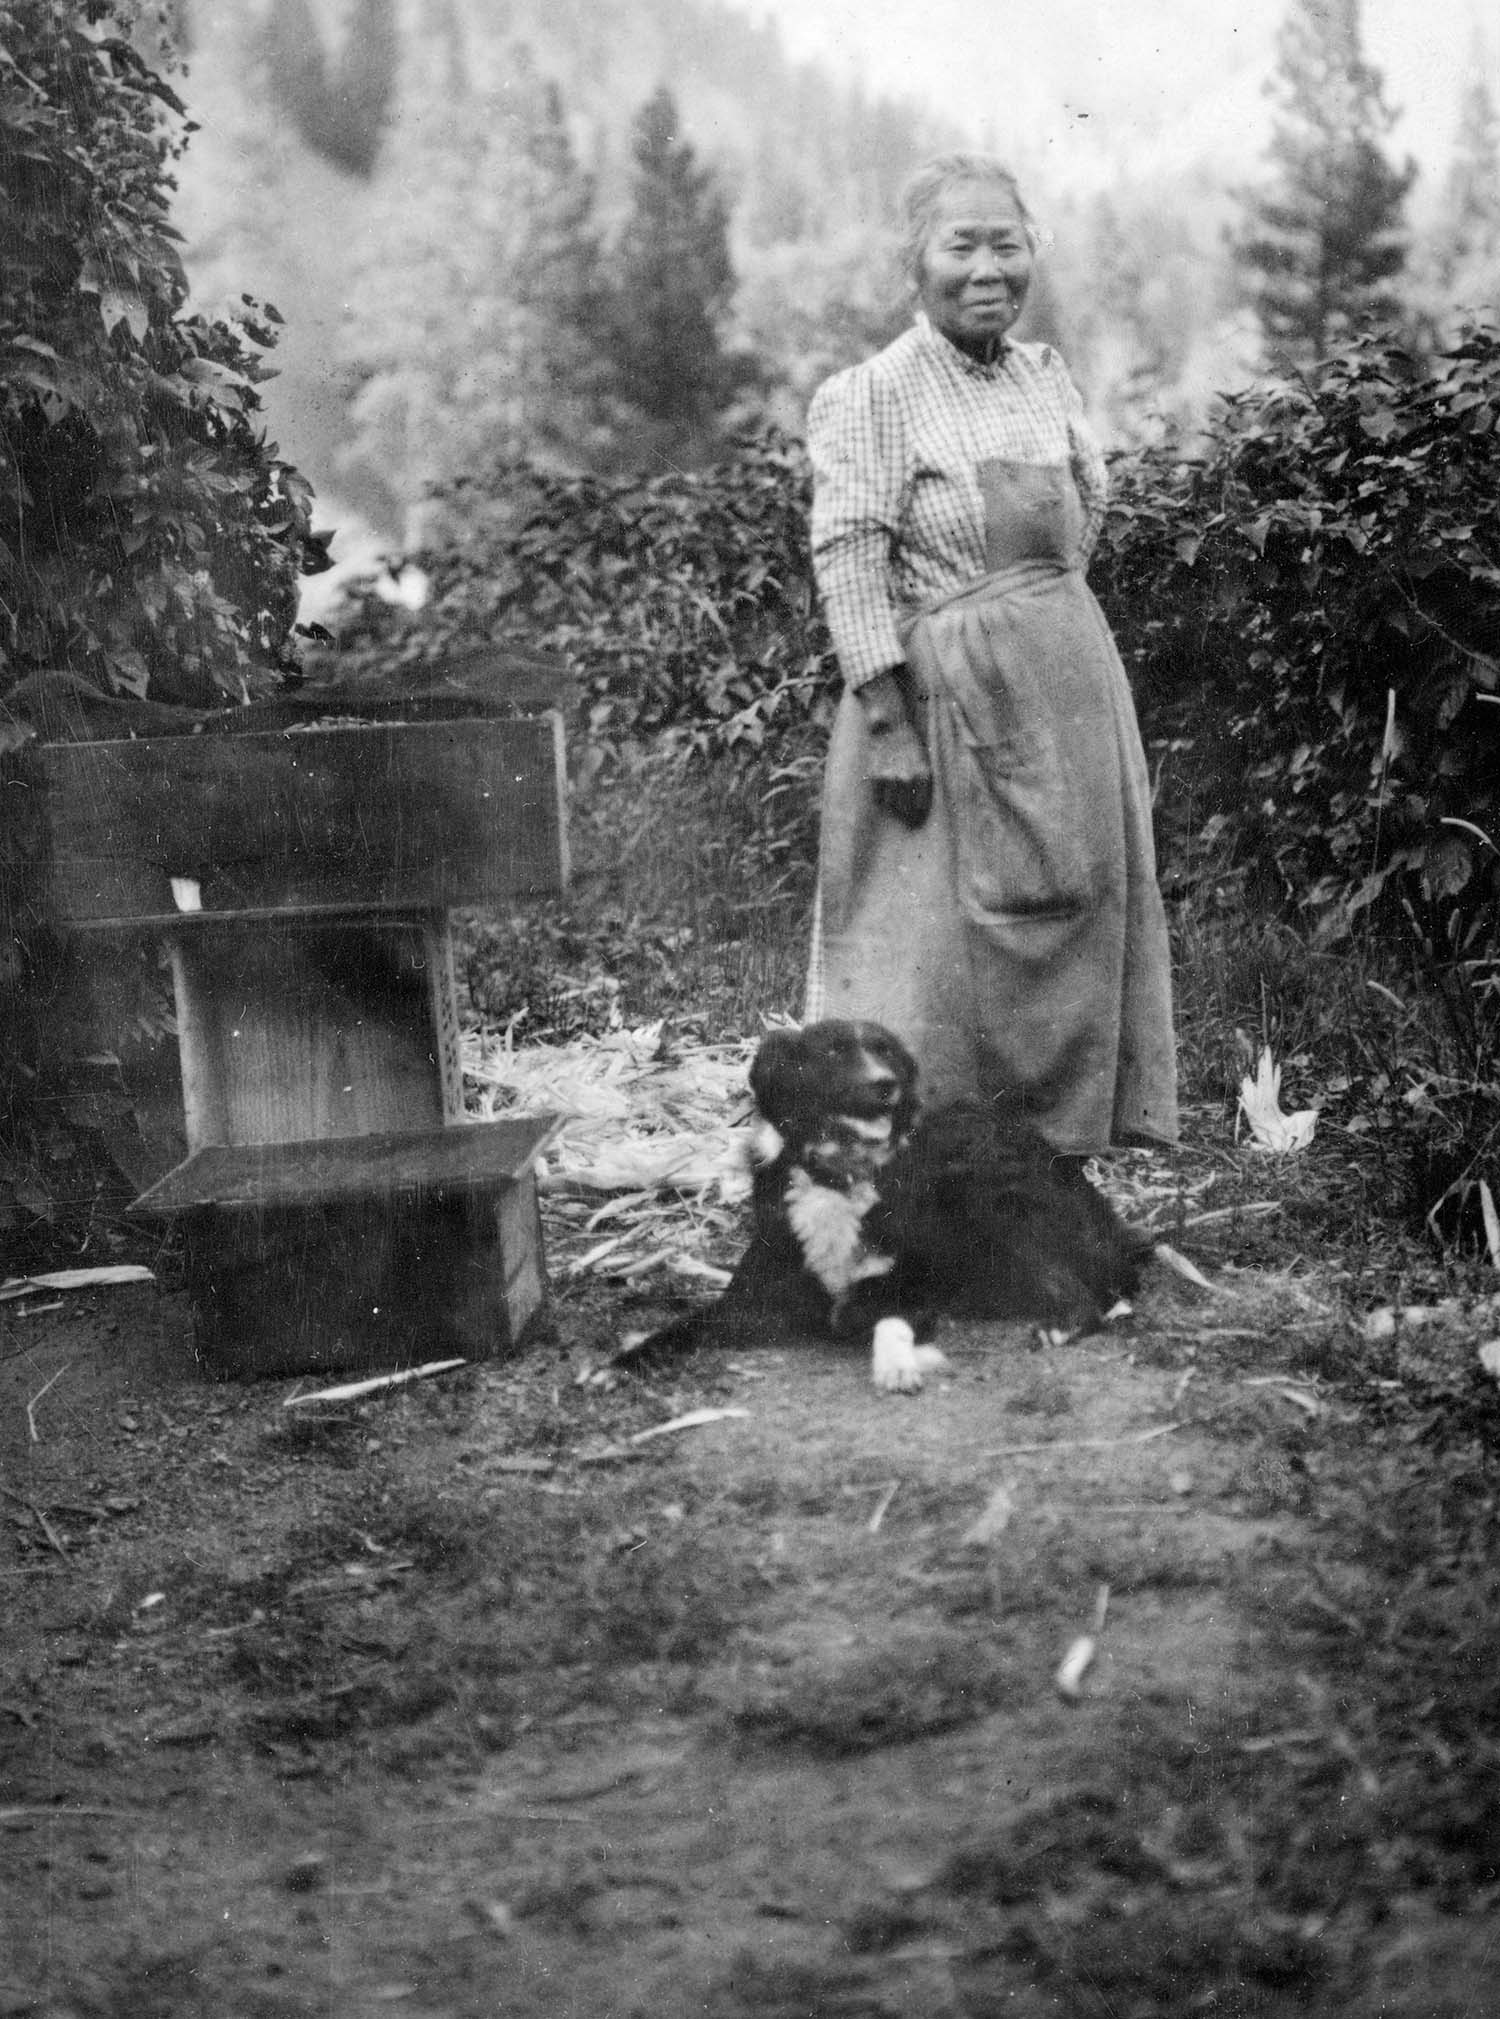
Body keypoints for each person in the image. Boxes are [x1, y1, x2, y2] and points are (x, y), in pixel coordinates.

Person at [802, 152, 1178, 1154]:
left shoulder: (1044, 376)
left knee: (1073, 917)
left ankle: (1059, 1163)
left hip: (1065, 700)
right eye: (959, 245)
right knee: (937, 954)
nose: (987, 268)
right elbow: (849, 556)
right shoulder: (875, 392)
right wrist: (889, 719)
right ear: (912, 263)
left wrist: (1036, 627)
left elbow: (1080, 524)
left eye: (1006, 244)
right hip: (936, 711)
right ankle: (935, 1179)